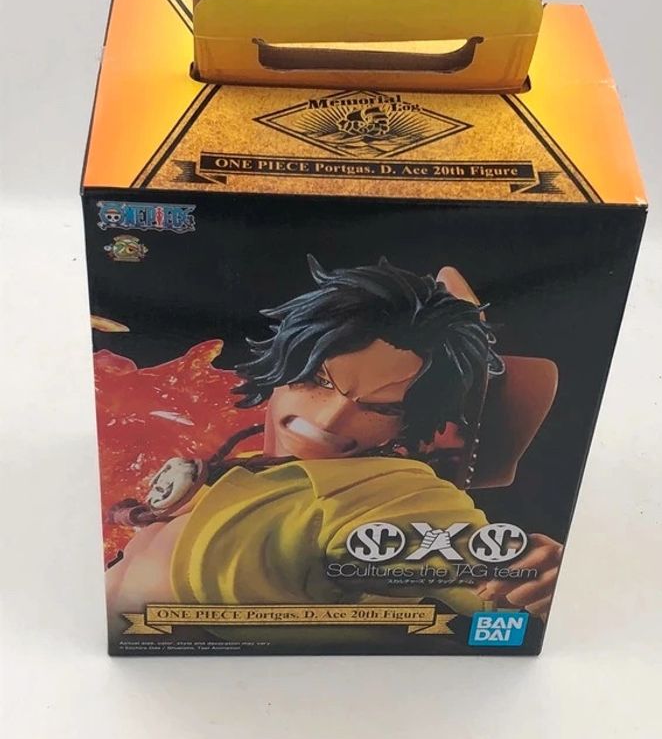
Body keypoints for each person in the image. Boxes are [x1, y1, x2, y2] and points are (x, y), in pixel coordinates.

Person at [106, 258, 562, 627]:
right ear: (285, 361)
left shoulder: (389, 490)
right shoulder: (248, 464)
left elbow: (476, 571)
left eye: (382, 408)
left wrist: (531, 576)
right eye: (318, 381)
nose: (327, 421)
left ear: (411, 427)